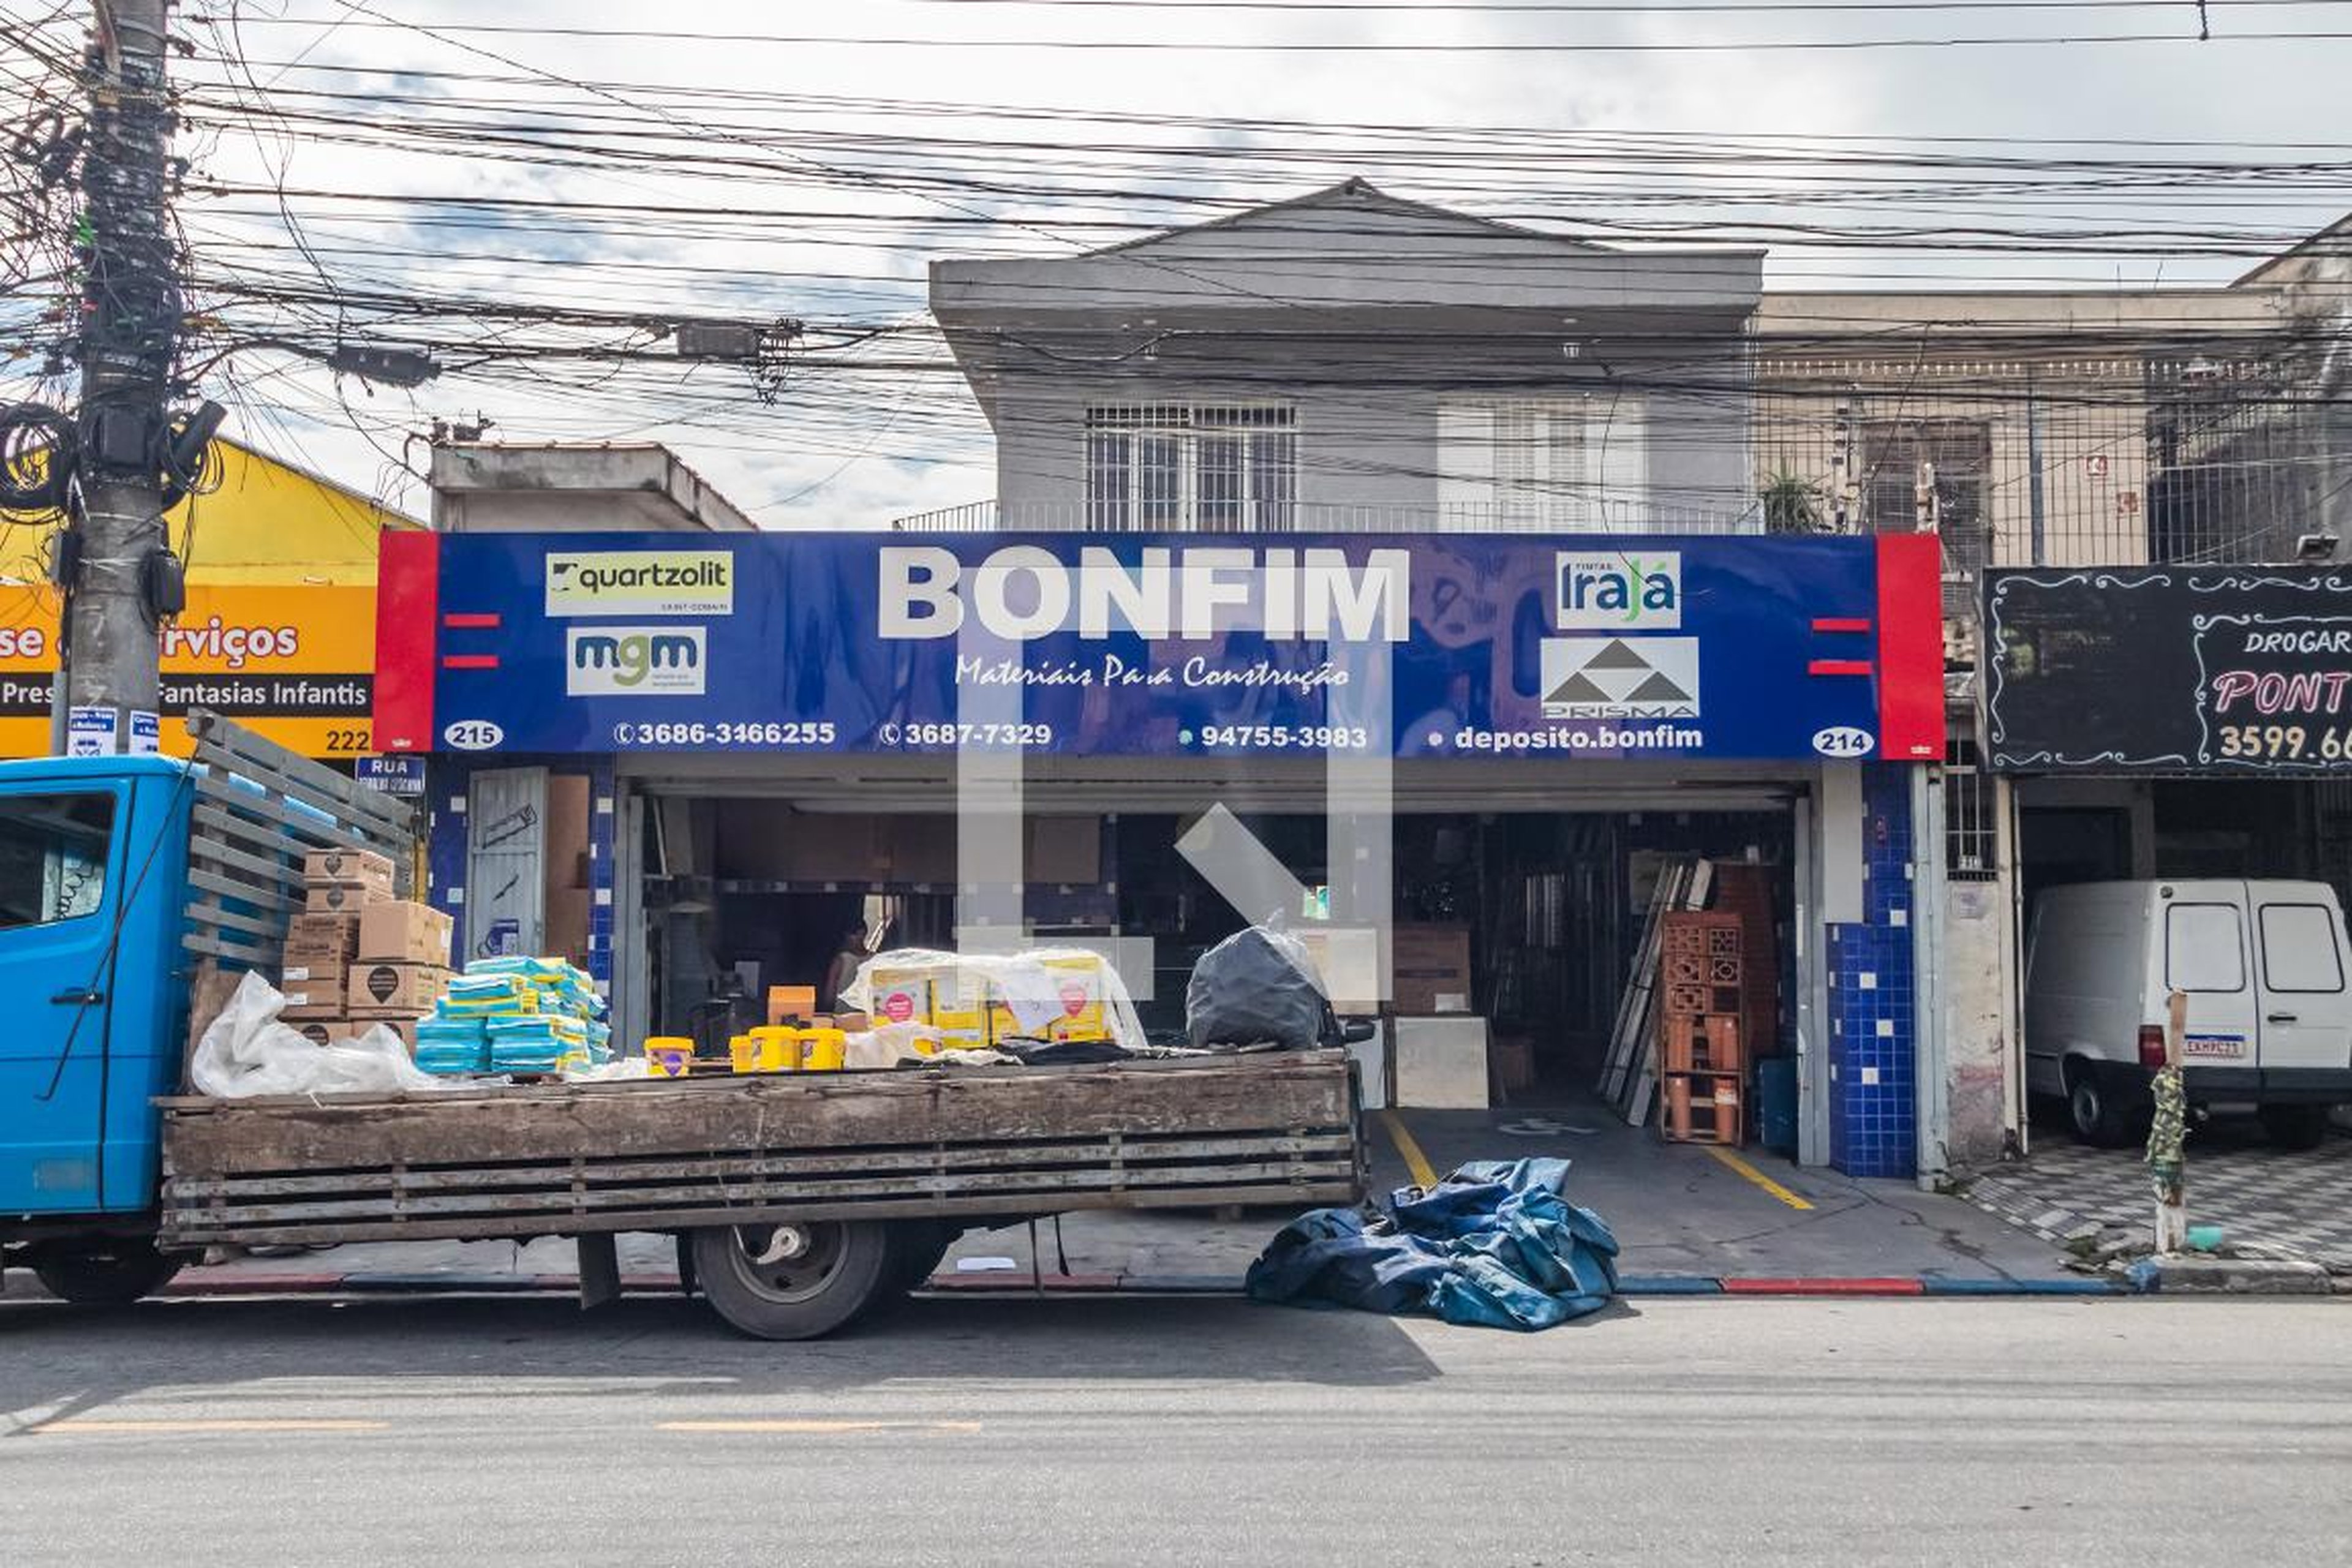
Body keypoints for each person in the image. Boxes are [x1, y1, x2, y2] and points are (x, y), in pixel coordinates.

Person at [824, 922, 870, 1013]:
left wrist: (826, 1011)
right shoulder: (876, 959)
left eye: (852, 935)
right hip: (867, 1015)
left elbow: (830, 993)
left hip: (844, 1015)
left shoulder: (841, 960)